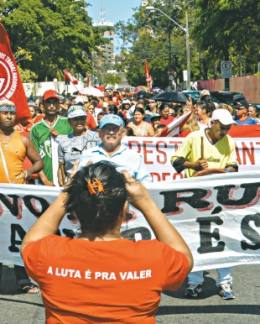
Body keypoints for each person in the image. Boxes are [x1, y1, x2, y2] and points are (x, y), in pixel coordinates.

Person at [21, 161, 193, 323]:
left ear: (74, 209)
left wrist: (65, 194)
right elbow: (184, 258)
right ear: (125, 208)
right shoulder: (154, 257)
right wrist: (146, 202)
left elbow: (29, 243)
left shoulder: (49, 254)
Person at [171, 109, 238, 299]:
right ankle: (194, 281)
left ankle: (225, 282)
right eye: (222, 127)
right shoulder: (194, 138)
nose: (224, 131)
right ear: (213, 123)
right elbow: (175, 161)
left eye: (228, 128)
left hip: (220, 196)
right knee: (195, 239)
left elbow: (234, 165)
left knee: (224, 238)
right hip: (196, 197)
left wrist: (224, 170)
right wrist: (193, 166)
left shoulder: (229, 141)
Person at [0, 99, 43, 293]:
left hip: (17, 200)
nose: (8, 116)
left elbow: (38, 163)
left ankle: (22, 279)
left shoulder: (23, 139)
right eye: (4, 113)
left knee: (18, 239)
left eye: (11, 113)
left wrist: (26, 173)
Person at [79, 114, 151, 183]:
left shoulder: (135, 157)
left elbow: (147, 185)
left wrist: (132, 183)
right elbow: (77, 184)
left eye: (115, 129)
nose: (111, 132)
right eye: (107, 128)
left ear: (122, 133)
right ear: (100, 133)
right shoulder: (87, 155)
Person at [30, 89, 72, 186]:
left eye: (55, 102)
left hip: (67, 180)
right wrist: (44, 180)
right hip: (43, 182)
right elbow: (34, 158)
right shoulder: (36, 128)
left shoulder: (68, 123)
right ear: (42, 106)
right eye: (49, 102)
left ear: (59, 105)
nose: (52, 106)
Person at [57, 105, 100, 186]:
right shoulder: (63, 140)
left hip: (95, 186)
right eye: (75, 119)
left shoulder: (97, 137)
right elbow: (61, 167)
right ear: (69, 121)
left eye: (82, 118)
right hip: (72, 185)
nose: (79, 121)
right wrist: (63, 185)